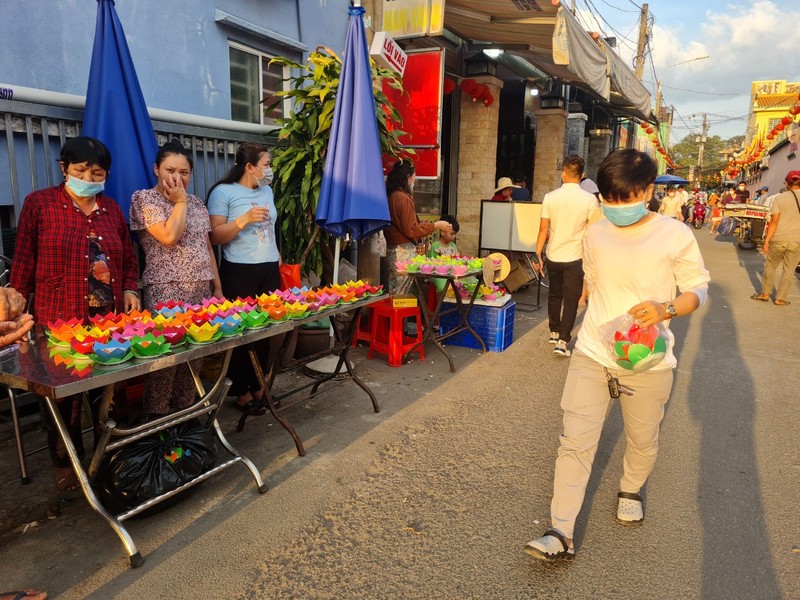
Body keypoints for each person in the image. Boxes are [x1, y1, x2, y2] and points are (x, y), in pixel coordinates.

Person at [524, 148, 709, 561]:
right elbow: (592, 279)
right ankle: (560, 530)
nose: (615, 206)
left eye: (624, 198)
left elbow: (698, 288)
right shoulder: (596, 232)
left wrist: (667, 309)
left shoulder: (675, 234)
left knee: (642, 438)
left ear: (646, 191)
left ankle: (630, 487)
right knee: (574, 440)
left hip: (648, 358)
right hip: (592, 351)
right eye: (608, 198)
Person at [10, 136, 140, 491]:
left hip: (106, 321)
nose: (88, 177)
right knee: (61, 399)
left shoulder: (111, 209)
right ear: (64, 168)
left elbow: (129, 259)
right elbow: (23, 263)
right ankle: (65, 462)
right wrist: (17, 310)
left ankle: (110, 454)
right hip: (57, 319)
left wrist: (130, 288)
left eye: (96, 172)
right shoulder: (39, 204)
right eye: (80, 170)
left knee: (110, 394)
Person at [130, 140, 222, 418]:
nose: (177, 177)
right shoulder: (144, 199)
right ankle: (157, 424)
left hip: (201, 290)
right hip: (166, 292)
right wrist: (179, 202)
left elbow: (206, 247)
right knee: (165, 362)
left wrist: (217, 287)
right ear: (156, 169)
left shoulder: (196, 203)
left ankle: (187, 418)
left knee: (194, 358)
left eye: (184, 172)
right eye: (170, 169)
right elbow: (169, 237)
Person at [208, 142, 279, 413]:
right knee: (241, 333)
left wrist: (277, 254)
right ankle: (240, 392)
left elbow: (271, 228)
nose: (270, 170)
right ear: (250, 167)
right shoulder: (223, 192)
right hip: (239, 271)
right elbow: (214, 237)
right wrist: (244, 219)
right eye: (266, 164)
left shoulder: (267, 190)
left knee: (266, 331)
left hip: (268, 268)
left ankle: (259, 385)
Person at [533, 155, 598, 356]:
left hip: (553, 255)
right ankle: (562, 340)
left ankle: (554, 330)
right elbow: (592, 232)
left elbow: (543, 229)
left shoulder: (550, 197)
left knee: (554, 294)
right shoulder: (590, 200)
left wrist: (538, 254)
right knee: (571, 299)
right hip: (575, 257)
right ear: (582, 175)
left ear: (563, 174)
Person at [384, 160, 452, 292]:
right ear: (408, 177)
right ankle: (404, 312)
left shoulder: (391, 195)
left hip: (394, 249)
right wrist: (436, 225)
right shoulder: (402, 198)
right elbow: (412, 230)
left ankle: (399, 310)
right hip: (403, 251)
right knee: (403, 289)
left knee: (396, 287)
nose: (415, 179)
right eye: (414, 175)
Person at [750, 170, 800, 306]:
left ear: (787, 183)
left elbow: (774, 221)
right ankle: (780, 298)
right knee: (789, 270)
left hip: (779, 238)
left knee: (771, 266)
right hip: (797, 240)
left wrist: (767, 240)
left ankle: (765, 294)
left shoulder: (779, 198)